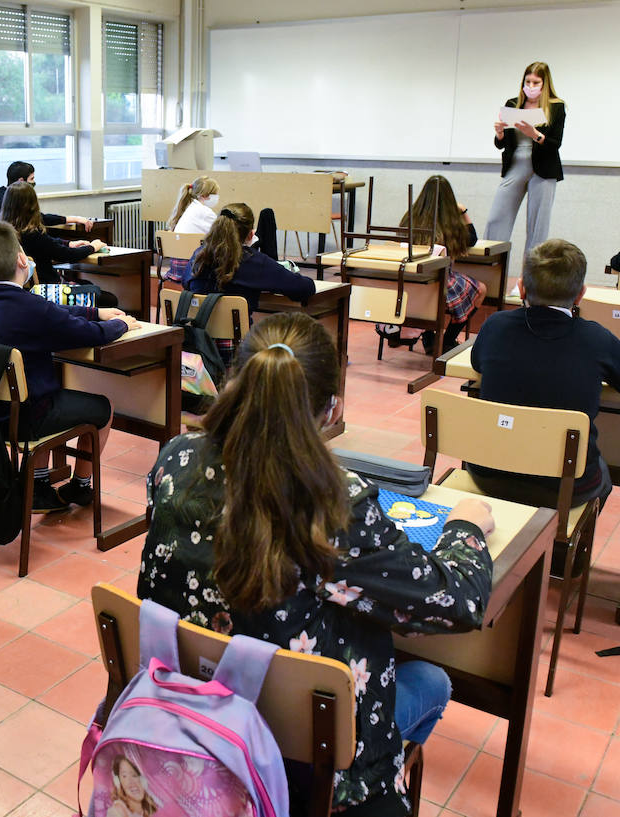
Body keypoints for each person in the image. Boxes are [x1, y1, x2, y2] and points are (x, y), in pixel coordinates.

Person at [138, 312, 495, 816]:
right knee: (432, 683)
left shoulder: (175, 459)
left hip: (188, 714)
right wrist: (467, 527)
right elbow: (457, 602)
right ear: (333, 410)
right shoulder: (332, 503)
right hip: (299, 752)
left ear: (237, 384)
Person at [0, 221, 138, 512]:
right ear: (21, 259)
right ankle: (81, 487)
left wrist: (96, 311)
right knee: (103, 408)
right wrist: (120, 324)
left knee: (44, 392)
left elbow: (52, 312)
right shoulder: (29, 308)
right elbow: (88, 334)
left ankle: (39, 486)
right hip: (25, 418)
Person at [468, 239, 620, 518]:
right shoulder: (595, 338)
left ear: (521, 288)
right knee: (603, 473)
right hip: (566, 486)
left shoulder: (495, 326)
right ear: (580, 295)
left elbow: (476, 362)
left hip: (489, 473)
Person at [379, 176, 485, 354]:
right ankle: (448, 341)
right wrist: (464, 211)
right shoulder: (451, 224)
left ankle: (429, 339)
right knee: (481, 290)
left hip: (409, 281)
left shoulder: (410, 218)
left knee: (427, 293)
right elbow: (472, 239)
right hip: (440, 281)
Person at [485, 62, 566, 255]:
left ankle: (529, 281)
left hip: (544, 168)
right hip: (516, 165)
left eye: (535, 82)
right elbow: (501, 145)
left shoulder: (556, 107)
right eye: (527, 81)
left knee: (537, 228)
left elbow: (555, 144)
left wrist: (534, 134)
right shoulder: (513, 103)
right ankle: (492, 268)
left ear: (545, 84)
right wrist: (499, 134)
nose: (530, 86)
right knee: (496, 219)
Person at [0, 181, 118, 306]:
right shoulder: (32, 234)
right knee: (109, 299)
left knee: (87, 285)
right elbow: (68, 255)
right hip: (47, 292)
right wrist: (93, 246)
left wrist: (68, 243)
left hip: (21, 292)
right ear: (32, 206)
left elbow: (49, 244)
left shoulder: (2, 232)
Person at [184, 203, 315, 315]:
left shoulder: (198, 255)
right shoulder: (254, 261)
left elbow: (185, 283)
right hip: (237, 342)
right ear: (251, 235)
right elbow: (304, 288)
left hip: (196, 336)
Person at [0, 161, 95, 230]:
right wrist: (75, 219)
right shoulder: (12, 200)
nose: (34, 182)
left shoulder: (1, 194)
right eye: (32, 179)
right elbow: (41, 218)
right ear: (21, 181)